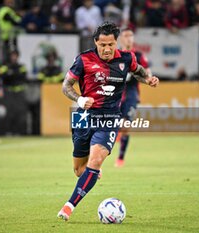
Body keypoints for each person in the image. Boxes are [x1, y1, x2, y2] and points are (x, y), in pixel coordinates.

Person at [57, 22, 159, 221]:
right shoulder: (84, 59)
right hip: (83, 117)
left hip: (109, 117)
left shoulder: (126, 58)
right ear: (96, 42)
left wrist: (148, 78)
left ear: (116, 43)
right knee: (80, 170)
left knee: (94, 162)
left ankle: (69, 206)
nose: (106, 49)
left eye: (110, 44)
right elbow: (65, 85)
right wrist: (79, 99)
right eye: (102, 44)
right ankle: (93, 171)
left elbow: (138, 70)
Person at [115, 28, 152, 168]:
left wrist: (150, 78)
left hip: (131, 94)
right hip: (115, 95)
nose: (129, 38)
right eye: (126, 35)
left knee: (125, 126)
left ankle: (120, 158)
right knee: (113, 124)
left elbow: (147, 72)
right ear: (121, 39)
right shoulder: (115, 54)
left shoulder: (139, 55)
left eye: (131, 35)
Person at [0, 50, 27, 135]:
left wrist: (11, 73)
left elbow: (22, 76)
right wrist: (12, 74)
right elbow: (1, 75)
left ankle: (18, 131)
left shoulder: (21, 66)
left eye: (15, 55)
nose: (14, 57)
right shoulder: (5, 66)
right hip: (9, 92)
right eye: (12, 55)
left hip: (19, 93)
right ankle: (8, 131)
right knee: (9, 112)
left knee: (19, 112)